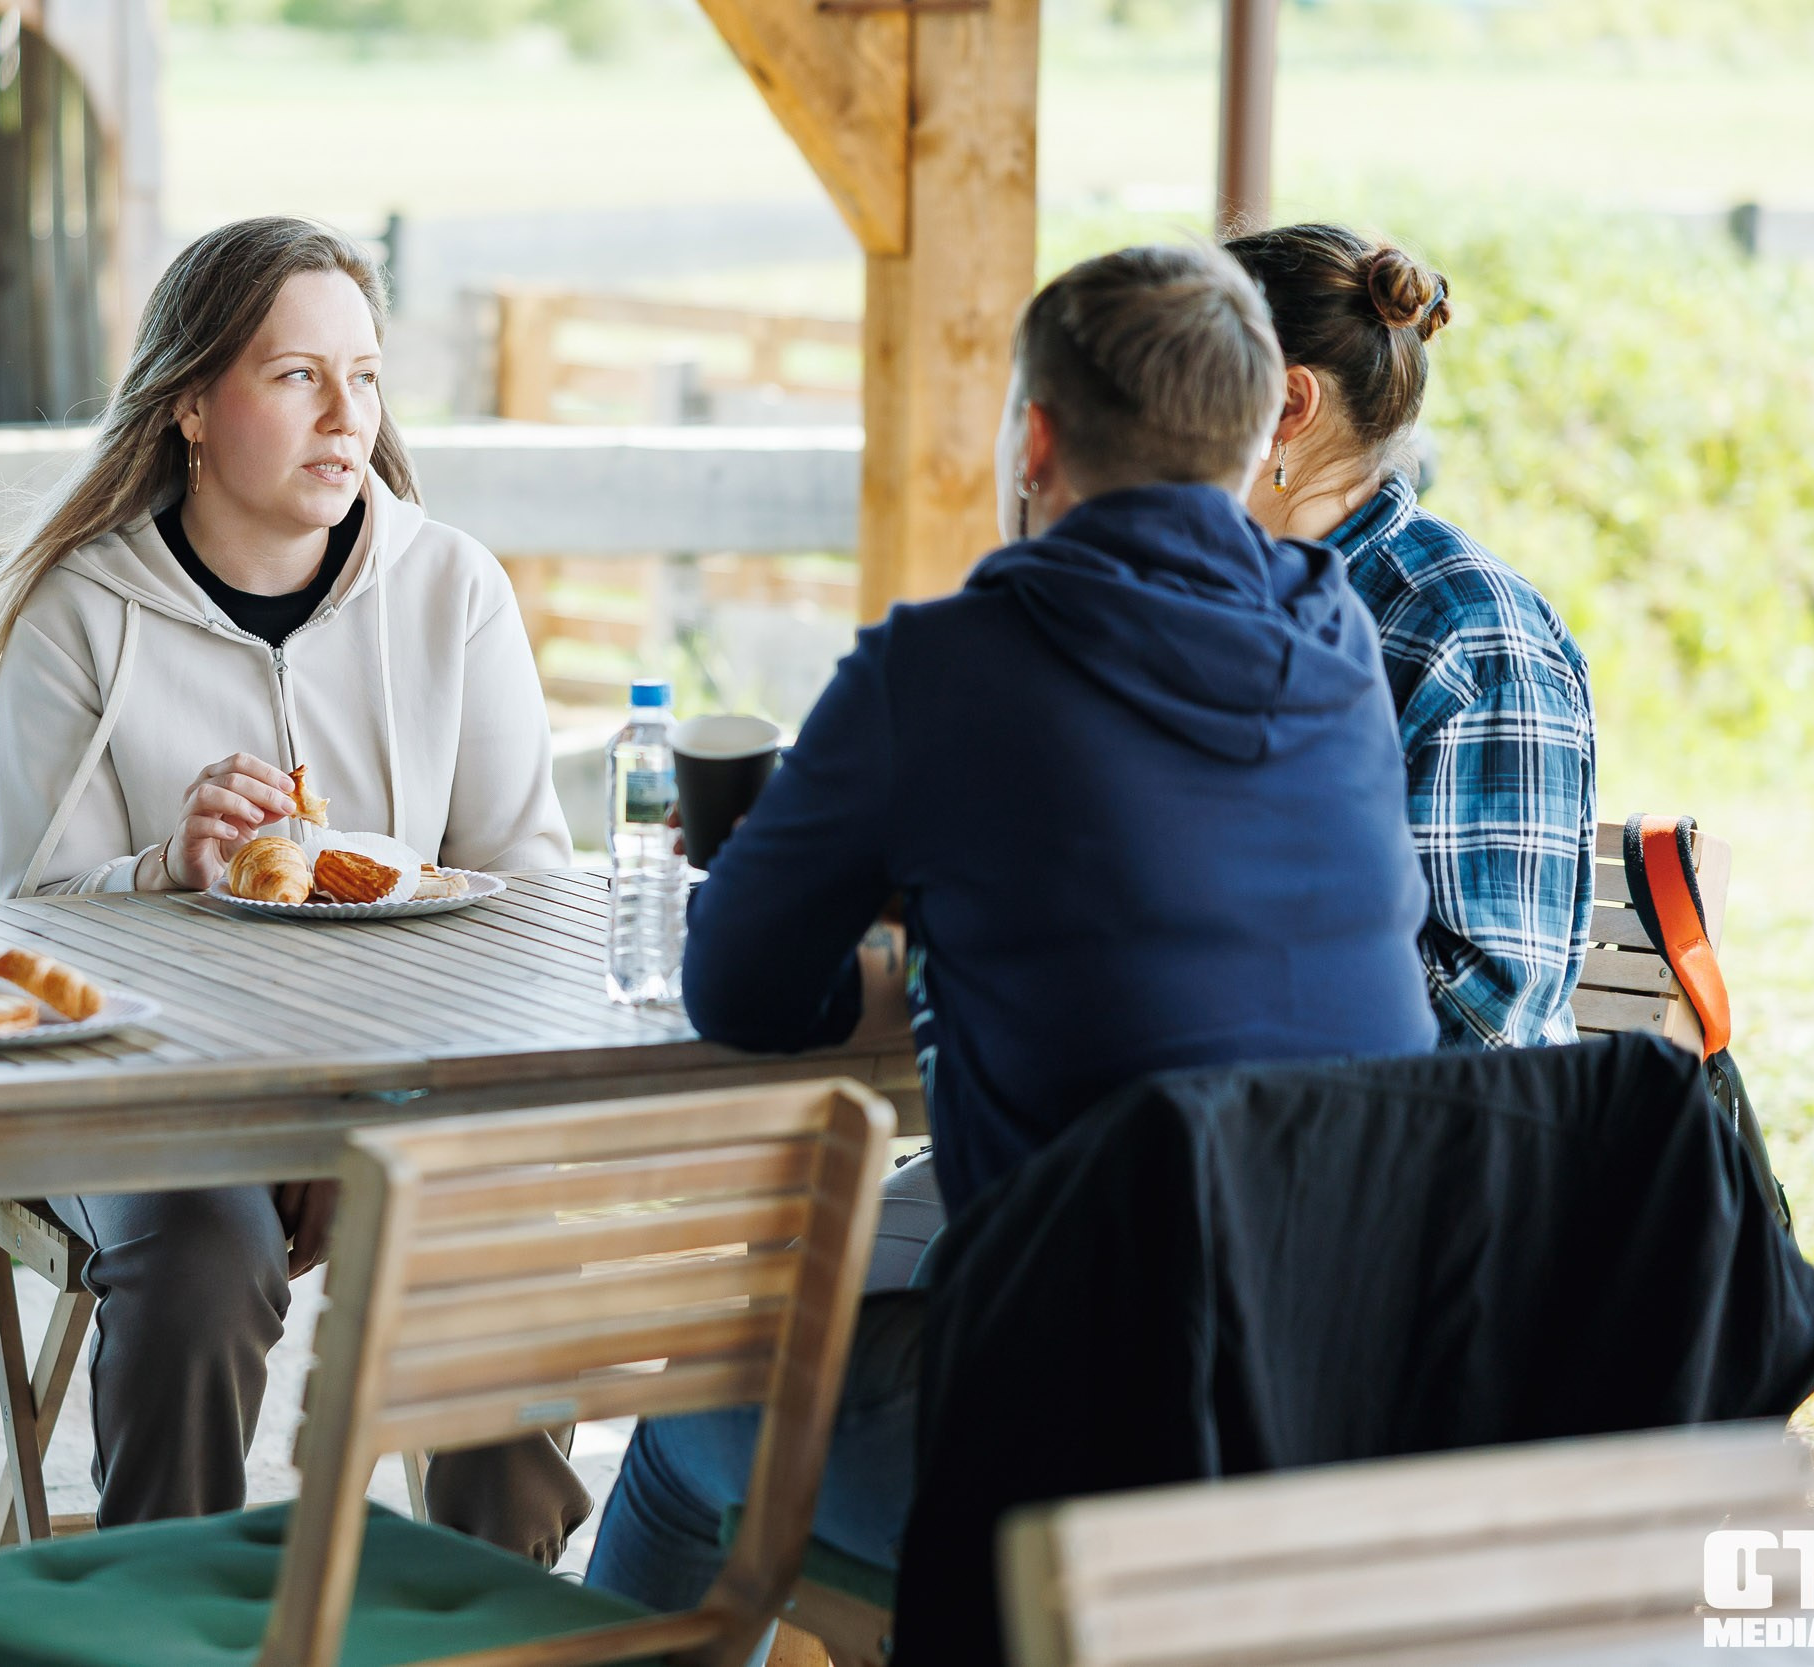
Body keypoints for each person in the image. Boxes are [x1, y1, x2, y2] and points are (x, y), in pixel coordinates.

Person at [582, 243, 1439, 1618]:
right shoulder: (1336, 641)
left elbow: (734, 982)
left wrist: (893, 953)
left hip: (1078, 1442)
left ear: (1036, 435)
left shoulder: (943, 667)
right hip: (1353, 1410)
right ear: (1254, 435)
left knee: (690, 1407)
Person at [0, 216, 585, 1550]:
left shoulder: (452, 590)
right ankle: (160, 1618)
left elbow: (530, 894)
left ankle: (503, 1619)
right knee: (203, 1250)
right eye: (297, 375)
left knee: (485, 1221)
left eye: (362, 376)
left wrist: (350, 1106)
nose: (342, 414)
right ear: (191, 401)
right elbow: (32, 932)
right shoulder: (79, 614)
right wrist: (162, 863)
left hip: (405, 1081)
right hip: (140, 1102)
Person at [1226, 224, 1598, 1049]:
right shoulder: (1211, 594)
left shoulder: (1471, 635)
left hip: (1396, 1157)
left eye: (1177, 381)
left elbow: (1488, 1021)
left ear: (1285, 406)